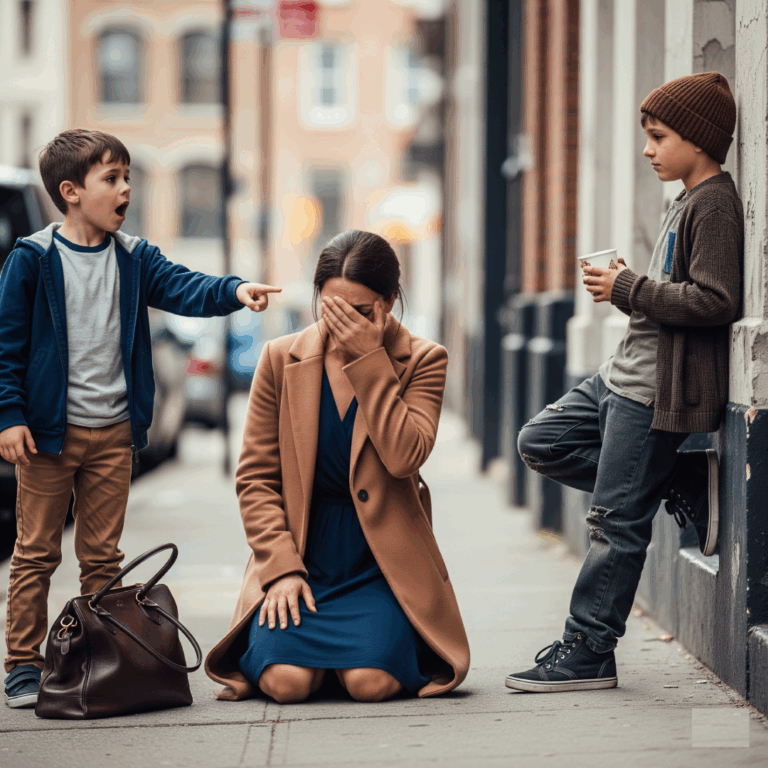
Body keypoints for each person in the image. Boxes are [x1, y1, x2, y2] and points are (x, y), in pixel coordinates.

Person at [0, 129, 280, 708]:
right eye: (113, 179)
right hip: (49, 435)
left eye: (128, 176)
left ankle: (102, 654)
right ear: (71, 191)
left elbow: (185, 285)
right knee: (36, 552)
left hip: (112, 434)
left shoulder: (134, 257)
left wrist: (235, 290)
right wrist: (10, 416)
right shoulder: (32, 259)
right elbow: (7, 346)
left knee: (102, 557)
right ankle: (23, 665)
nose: (126, 188)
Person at [506, 72, 743, 692]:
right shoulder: (685, 199)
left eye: (659, 137)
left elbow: (717, 300)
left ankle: (589, 650)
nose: (648, 149)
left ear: (697, 139)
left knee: (615, 523)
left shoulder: (715, 202)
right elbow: (675, 295)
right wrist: (629, 287)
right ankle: (678, 478)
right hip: (619, 376)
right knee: (540, 441)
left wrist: (629, 288)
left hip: (652, 392)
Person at [205, 230, 469, 703]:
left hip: (379, 564)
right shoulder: (279, 358)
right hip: (304, 555)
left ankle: (358, 657)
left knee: (372, 685)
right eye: (332, 309)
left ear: (390, 301)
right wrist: (280, 568)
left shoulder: (424, 360)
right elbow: (256, 479)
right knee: (285, 684)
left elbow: (405, 454)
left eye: (361, 312)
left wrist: (370, 360)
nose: (344, 324)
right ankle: (321, 661)